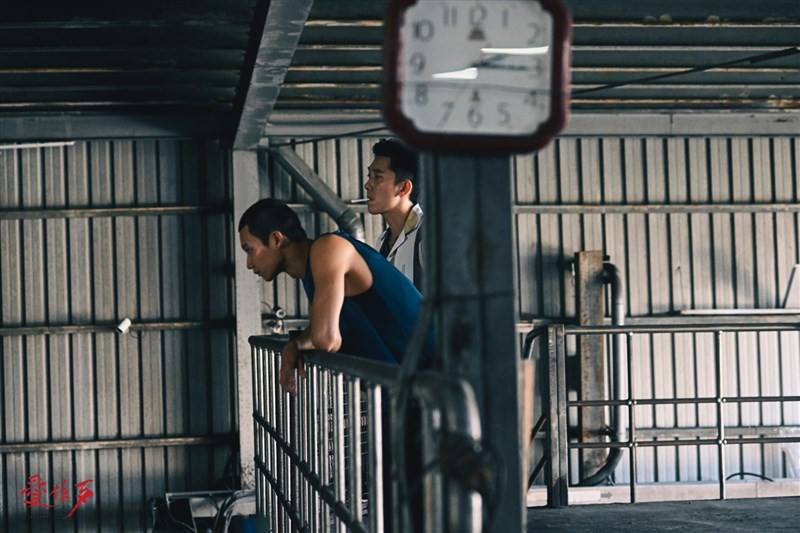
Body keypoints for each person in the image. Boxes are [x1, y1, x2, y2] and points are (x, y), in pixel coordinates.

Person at [238, 198, 431, 393]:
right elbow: (326, 330)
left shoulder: (328, 248)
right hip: (409, 390)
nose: (249, 263)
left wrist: (301, 344)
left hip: (435, 381)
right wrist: (294, 345)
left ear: (276, 239)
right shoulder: (312, 272)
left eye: (249, 250)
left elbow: (326, 338)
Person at [365, 139, 424, 290]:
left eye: (377, 177)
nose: (367, 185)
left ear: (404, 188)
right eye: (369, 175)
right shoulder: (382, 241)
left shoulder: (428, 238)